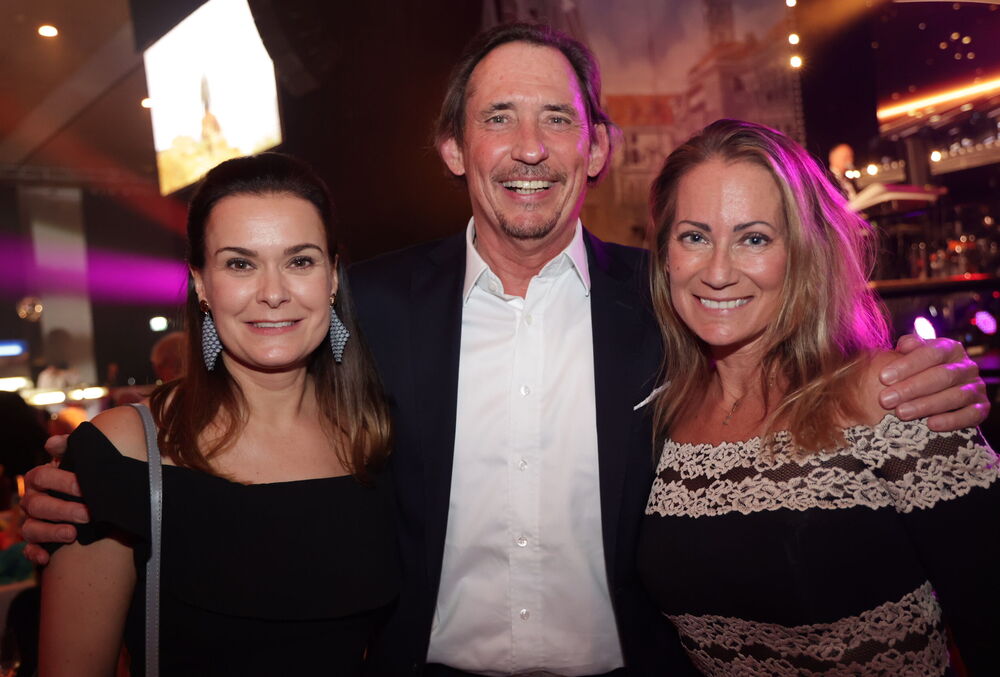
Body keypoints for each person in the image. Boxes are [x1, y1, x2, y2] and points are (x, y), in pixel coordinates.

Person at [23, 23, 989, 677]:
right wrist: (100, 470)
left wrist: (894, 381)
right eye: (498, 118)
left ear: (596, 147)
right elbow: (254, 399)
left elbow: (787, 372)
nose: (530, 146)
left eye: (556, 118)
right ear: (454, 149)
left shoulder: (672, 303)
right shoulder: (370, 305)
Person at [638, 119, 999, 675]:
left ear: (806, 252)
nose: (717, 271)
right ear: (666, 254)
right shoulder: (661, 412)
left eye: (754, 238)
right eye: (695, 237)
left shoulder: (891, 395)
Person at [37, 153, 398, 675]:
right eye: (240, 264)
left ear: (333, 277)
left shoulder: (378, 439)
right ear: (202, 284)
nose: (273, 293)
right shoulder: (125, 450)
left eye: (300, 261)